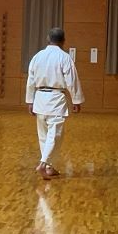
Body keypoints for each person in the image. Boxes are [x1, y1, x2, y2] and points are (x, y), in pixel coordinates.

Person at [26, 27, 84, 180]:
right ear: (64, 41)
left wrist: (30, 100)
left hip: (39, 97)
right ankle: (44, 163)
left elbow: (30, 81)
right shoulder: (64, 57)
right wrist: (76, 100)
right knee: (55, 135)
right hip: (56, 99)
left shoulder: (37, 57)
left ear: (47, 38)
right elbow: (72, 81)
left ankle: (49, 167)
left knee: (44, 136)